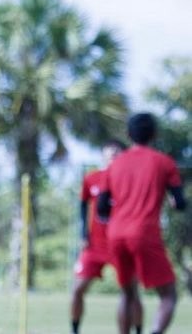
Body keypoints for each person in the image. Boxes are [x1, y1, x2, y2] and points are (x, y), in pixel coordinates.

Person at [98, 113, 186, 334]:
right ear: (154, 134)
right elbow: (180, 202)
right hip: (144, 232)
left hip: (116, 234)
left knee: (127, 294)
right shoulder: (164, 162)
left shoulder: (114, 165)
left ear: (128, 135)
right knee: (168, 295)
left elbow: (101, 208)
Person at [70, 140, 142, 334]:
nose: (113, 157)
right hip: (95, 245)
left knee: (131, 293)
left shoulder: (132, 179)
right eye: (109, 154)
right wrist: (83, 233)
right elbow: (83, 205)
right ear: (102, 155)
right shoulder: (92, 178)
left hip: (122, 244)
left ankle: (138, 330)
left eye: (117, 154)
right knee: (77, 289)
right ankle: (74, 329)